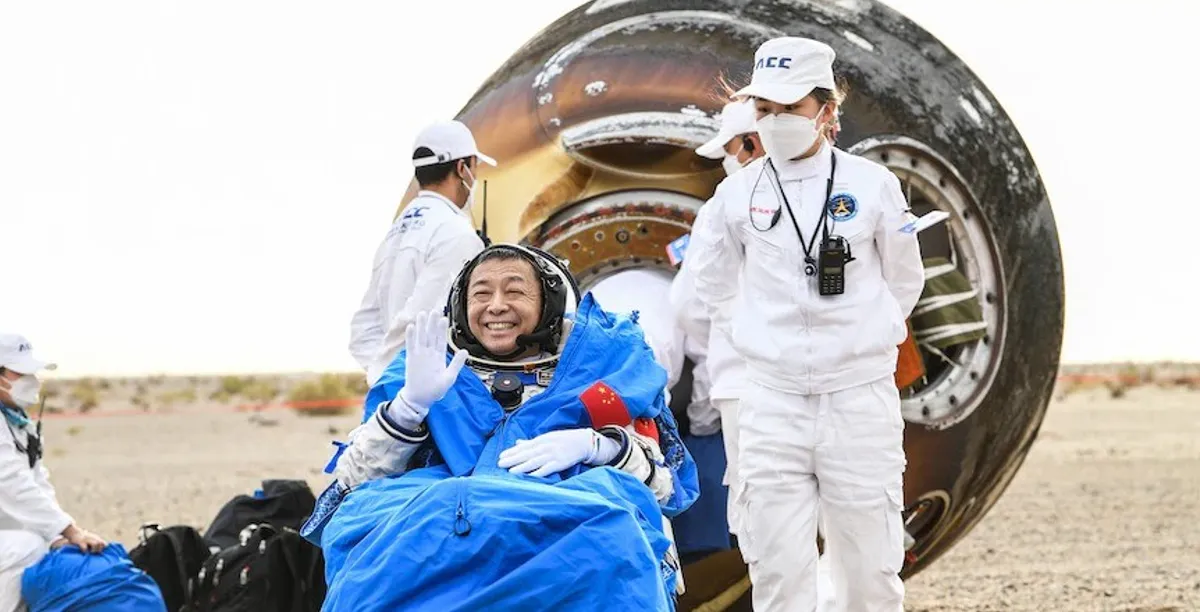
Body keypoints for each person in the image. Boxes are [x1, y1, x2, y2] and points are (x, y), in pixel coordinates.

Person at [304, 244, 700, 611]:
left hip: (563, 545)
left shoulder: (603, 369)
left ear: (549, 302)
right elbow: (355, 481)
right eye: (481, 294)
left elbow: (663, 489)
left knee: (618, 534)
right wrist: (409, 407)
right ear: (461, 304)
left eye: (515, 292)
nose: (496, 306)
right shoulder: (426, 368)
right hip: (436, 541)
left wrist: (601, 446)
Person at [688, 37, 925, 611]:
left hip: (858, 400)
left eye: (790, 107)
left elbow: (904, 280)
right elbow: (712, 284)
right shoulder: (734, 194)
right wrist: (760, 341)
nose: (776, 121)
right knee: (778, 573)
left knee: (870, 572)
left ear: (826, 109)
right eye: (765, 109)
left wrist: (861, 340)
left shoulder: (873, 184)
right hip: (771, 402)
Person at [347, 120, 492, 387]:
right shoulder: (455, 233)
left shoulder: (395, 232)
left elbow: (363, 331)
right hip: (435, 394)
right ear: (462, 168)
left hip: (403, 389)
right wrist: (400, 385)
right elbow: (420, 320)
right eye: (474, 166)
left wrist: (385, 381)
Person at [0, 334, 107, 612]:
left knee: (44, 546)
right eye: (21, 373)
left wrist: (59, 535)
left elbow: (37, 481)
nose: (31, 380)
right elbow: (11, 484)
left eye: (32, 372)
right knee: (26, 547)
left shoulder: (18, 422)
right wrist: (69, 530)